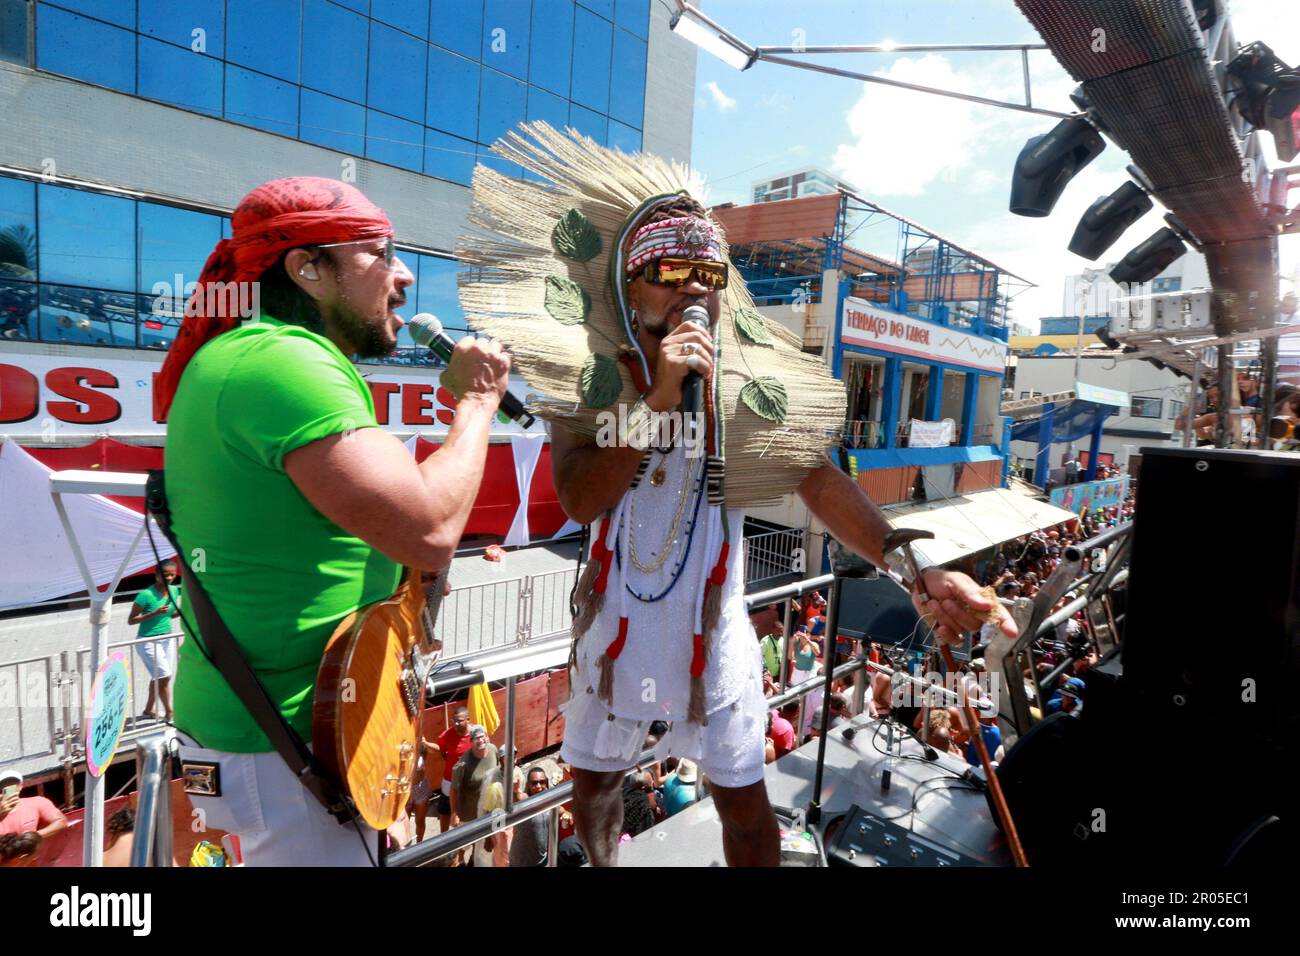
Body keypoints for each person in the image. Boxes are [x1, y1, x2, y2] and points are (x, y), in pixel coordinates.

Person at [475, 129, 1015, 868]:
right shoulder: (586, 380)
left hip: (713, 638)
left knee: (745, 806)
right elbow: (578, 499)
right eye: (672, 270)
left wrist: (910, 565)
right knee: (594, 781)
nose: (695, 288)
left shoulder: (750, 392)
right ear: (631, 289)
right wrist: (657, 400)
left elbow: (818, 479)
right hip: (615, 633)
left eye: (710, 274)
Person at [159, 177, 510, 866]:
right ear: (308, 268)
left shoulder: (250, 357)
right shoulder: (287, 362)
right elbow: (431, 530)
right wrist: (477, 402)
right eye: (382, 253)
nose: (405, 276)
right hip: (285, 744)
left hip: (268, 738)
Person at [127, 559, 182, 722]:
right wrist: (153, 613)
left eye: (172, 575)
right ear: (157, 575)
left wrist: (182, 611)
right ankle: (170, 713)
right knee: (164, 676)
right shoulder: (145, 595)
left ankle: (148, 709)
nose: (170, 578)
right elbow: (131, 620)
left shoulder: (174, 591)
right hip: (147, 641)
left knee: (161, 676)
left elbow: (169, 615)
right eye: (166, 575)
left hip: (167, 638)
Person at [430, 706, 473, 836]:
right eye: (454, 720)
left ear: (468, 720)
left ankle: (461, 841)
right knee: (445, 812)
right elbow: (441, 748)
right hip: (449, 780)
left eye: (459, 721)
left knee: (465, 813)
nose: (456, 723)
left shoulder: (477, 733)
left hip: (467, 782)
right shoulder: (448, 734)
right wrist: (426, 743)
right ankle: (442, 839)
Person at [0, 772, 67, 845]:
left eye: (12, 787)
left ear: (20, 786)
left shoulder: (37, 802)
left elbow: (62, 822)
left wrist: (33, 836)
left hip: (32, 854)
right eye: (3, 787)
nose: (6, 790)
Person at [508, 767, 552, 867]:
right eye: (534, 783)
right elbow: (519, 800)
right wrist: (516, 793)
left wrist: (566, 814)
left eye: (542, 782)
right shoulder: (526, 801)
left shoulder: (550, 799)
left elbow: (560, 810)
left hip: (543, 861)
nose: (538, 786)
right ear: (528, 784)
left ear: (547, 782)